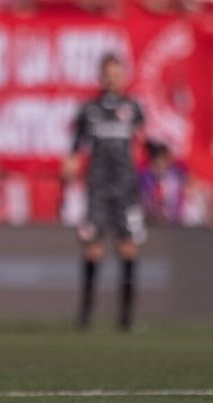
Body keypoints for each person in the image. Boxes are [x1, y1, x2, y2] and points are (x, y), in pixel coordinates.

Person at [63, 53, 145, 332]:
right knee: (93, 247)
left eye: (116, 73)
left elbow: (143, 143)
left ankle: (126, 319)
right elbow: (76, 147)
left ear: (124, 76)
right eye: (108, 74)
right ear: (101, 76)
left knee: (128, 247)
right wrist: (71, 166)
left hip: (126, 188)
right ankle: (85, 316)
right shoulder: (89, 110)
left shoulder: (133, 108)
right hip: (97, 187)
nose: (112, 79)